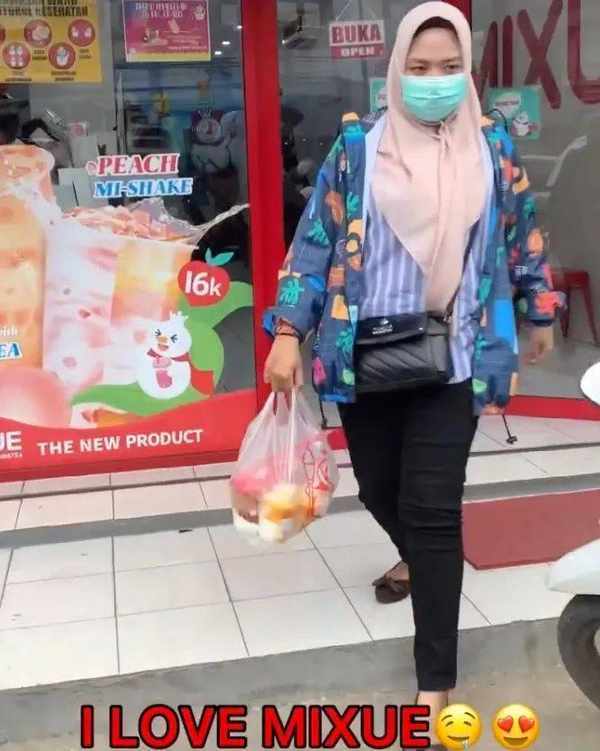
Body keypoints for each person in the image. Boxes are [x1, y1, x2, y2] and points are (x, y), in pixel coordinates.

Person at [263, 0, 562, 739]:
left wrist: (540, 311)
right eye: (421, 67)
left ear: (468, 70)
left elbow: (520, 236)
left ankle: (436, 682)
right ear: (397, 70)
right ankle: (417, 560)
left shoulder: (491, 150)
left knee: (434, 511)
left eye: (450, 67)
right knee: (377, 489)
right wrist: (288, 331)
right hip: (363, 356)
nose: (435, 80)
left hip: (453, 356)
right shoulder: (358, 149)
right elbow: (313, 244)